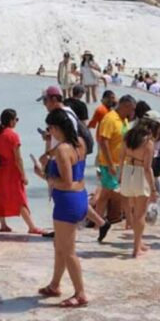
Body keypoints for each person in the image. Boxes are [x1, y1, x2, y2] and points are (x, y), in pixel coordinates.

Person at [34, 109, 89, 307]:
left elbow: (65, 182)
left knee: (68, 251)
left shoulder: (62, 150)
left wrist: (43, 175)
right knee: (60, 246)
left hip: (67, 202)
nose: (50, 132)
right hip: (80, 197)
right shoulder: (80, 143)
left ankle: (80, 293)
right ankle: (55, 284)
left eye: (50, 129)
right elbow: (74, 177)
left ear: (57, 128)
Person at [39, 86, 110, 240]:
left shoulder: (65, 116)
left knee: (66, 189)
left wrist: (50, 156)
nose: (44, 104)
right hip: (65, 157)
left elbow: (71, 139)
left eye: (45, 100)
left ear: (53, 99)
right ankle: (101, 222)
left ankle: (63, 227)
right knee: (74, 191)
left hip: (67, 158)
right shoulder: (61, 115)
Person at [0, 109, 44, 234]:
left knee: (1, 196)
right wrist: (24, 175)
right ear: (11, 121)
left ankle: (3, 225)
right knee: (19, 198)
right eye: (16, 119)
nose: (17, 121)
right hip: (12, 171)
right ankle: (31, 227)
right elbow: (18, 158)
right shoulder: (13, 136)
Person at [95, 95, 136, 232]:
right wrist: (110, 163)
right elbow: (103, 141)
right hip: (109, 164)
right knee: (105, 195)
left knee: (124, 193)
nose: (133, 112)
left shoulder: (124, 119)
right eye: (132, 109)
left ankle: (129, 223)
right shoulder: (110, 118)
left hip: (122, 163)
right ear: (125, 106)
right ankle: (98, 224)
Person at [118, 121, 157, 257]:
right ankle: (136, 249)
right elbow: (147, 168)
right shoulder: (148, 143)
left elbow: (121, 157)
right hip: (140, 174)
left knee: (134, 210)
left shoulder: (128, 137)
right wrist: (153, 189)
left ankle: (139, 242)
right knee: (140, 213)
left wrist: (121, 176)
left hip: (128, 171)